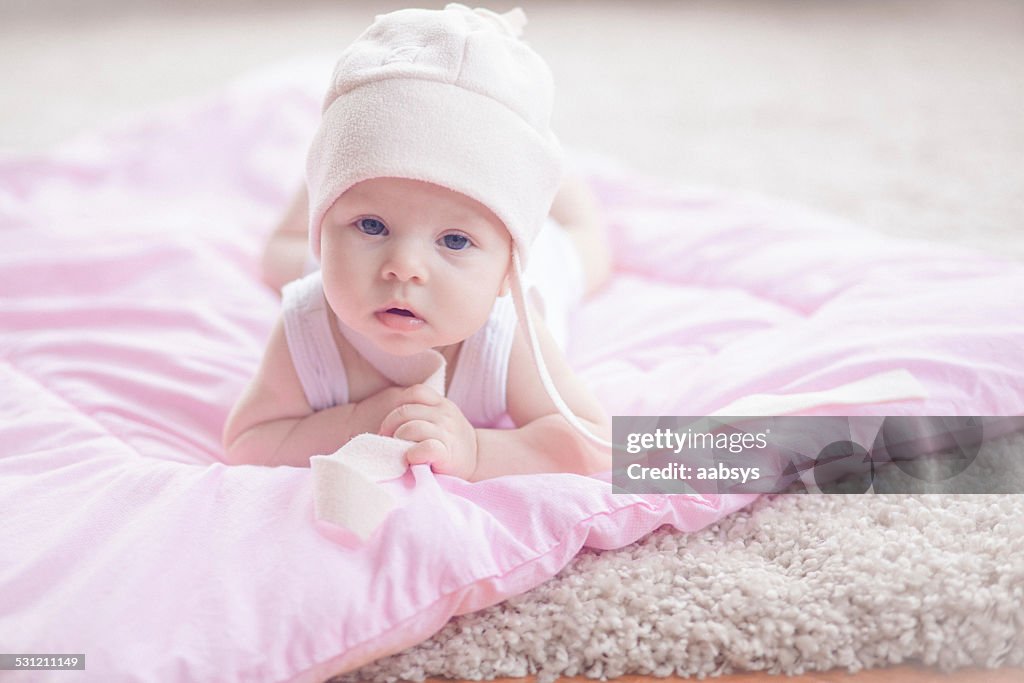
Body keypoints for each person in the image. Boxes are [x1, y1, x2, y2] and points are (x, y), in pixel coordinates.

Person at [222, 4, 613, 481]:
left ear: (506, 269)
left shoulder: (507, 337)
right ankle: (335, 176)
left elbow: (598, 448)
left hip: (542, 256)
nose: (404, 267)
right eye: (371, 224)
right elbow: (247, 442)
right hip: (331, 246)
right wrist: (356, 425)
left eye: (454, 239)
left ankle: (557, 173)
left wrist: (475, 449)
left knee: (586, 250)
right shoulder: (307, 322)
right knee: (280, 259)